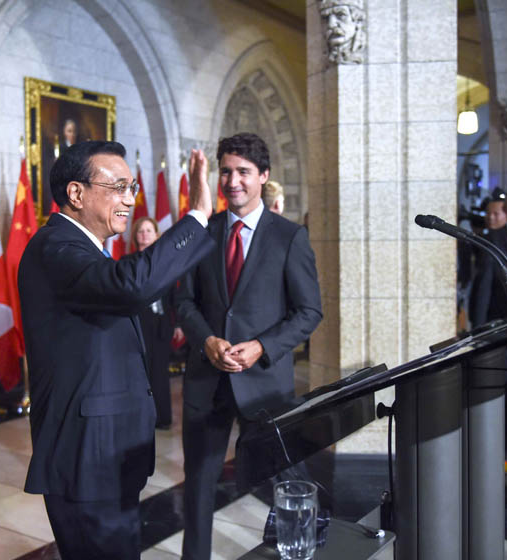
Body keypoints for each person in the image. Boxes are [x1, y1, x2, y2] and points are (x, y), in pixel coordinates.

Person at [18, 140, 215, 560]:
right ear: (76, 193)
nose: (129, 199)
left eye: (133, 187)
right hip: (87, 457)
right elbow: (130, 286)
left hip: (109, 453)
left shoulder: (86, 249)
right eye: (119, 187)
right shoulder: (55, 246)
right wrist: (197, 215)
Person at [175, 132, 323, 560]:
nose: (232, 181)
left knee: (286, 481)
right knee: (199, 485)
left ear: (263, 176)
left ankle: (298, 553)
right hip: (208, 380)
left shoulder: (289, 237)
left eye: (242, 172)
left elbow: (309, 311)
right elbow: (183, 301)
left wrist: (261, 345)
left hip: (265, 385)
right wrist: (206, 341)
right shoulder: (204, 233)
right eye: (225, 171)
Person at [131, 216, 174, 429]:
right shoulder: (129, 262)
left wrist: (178, 324)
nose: (145, 234)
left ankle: (162, 418)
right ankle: (143, 419)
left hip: (162, 324)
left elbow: (174, 295)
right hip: (139, 325)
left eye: (149, 230)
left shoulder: (164, 262)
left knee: (160, 374)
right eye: (141, 231)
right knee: (141, 374)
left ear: (157, 235)